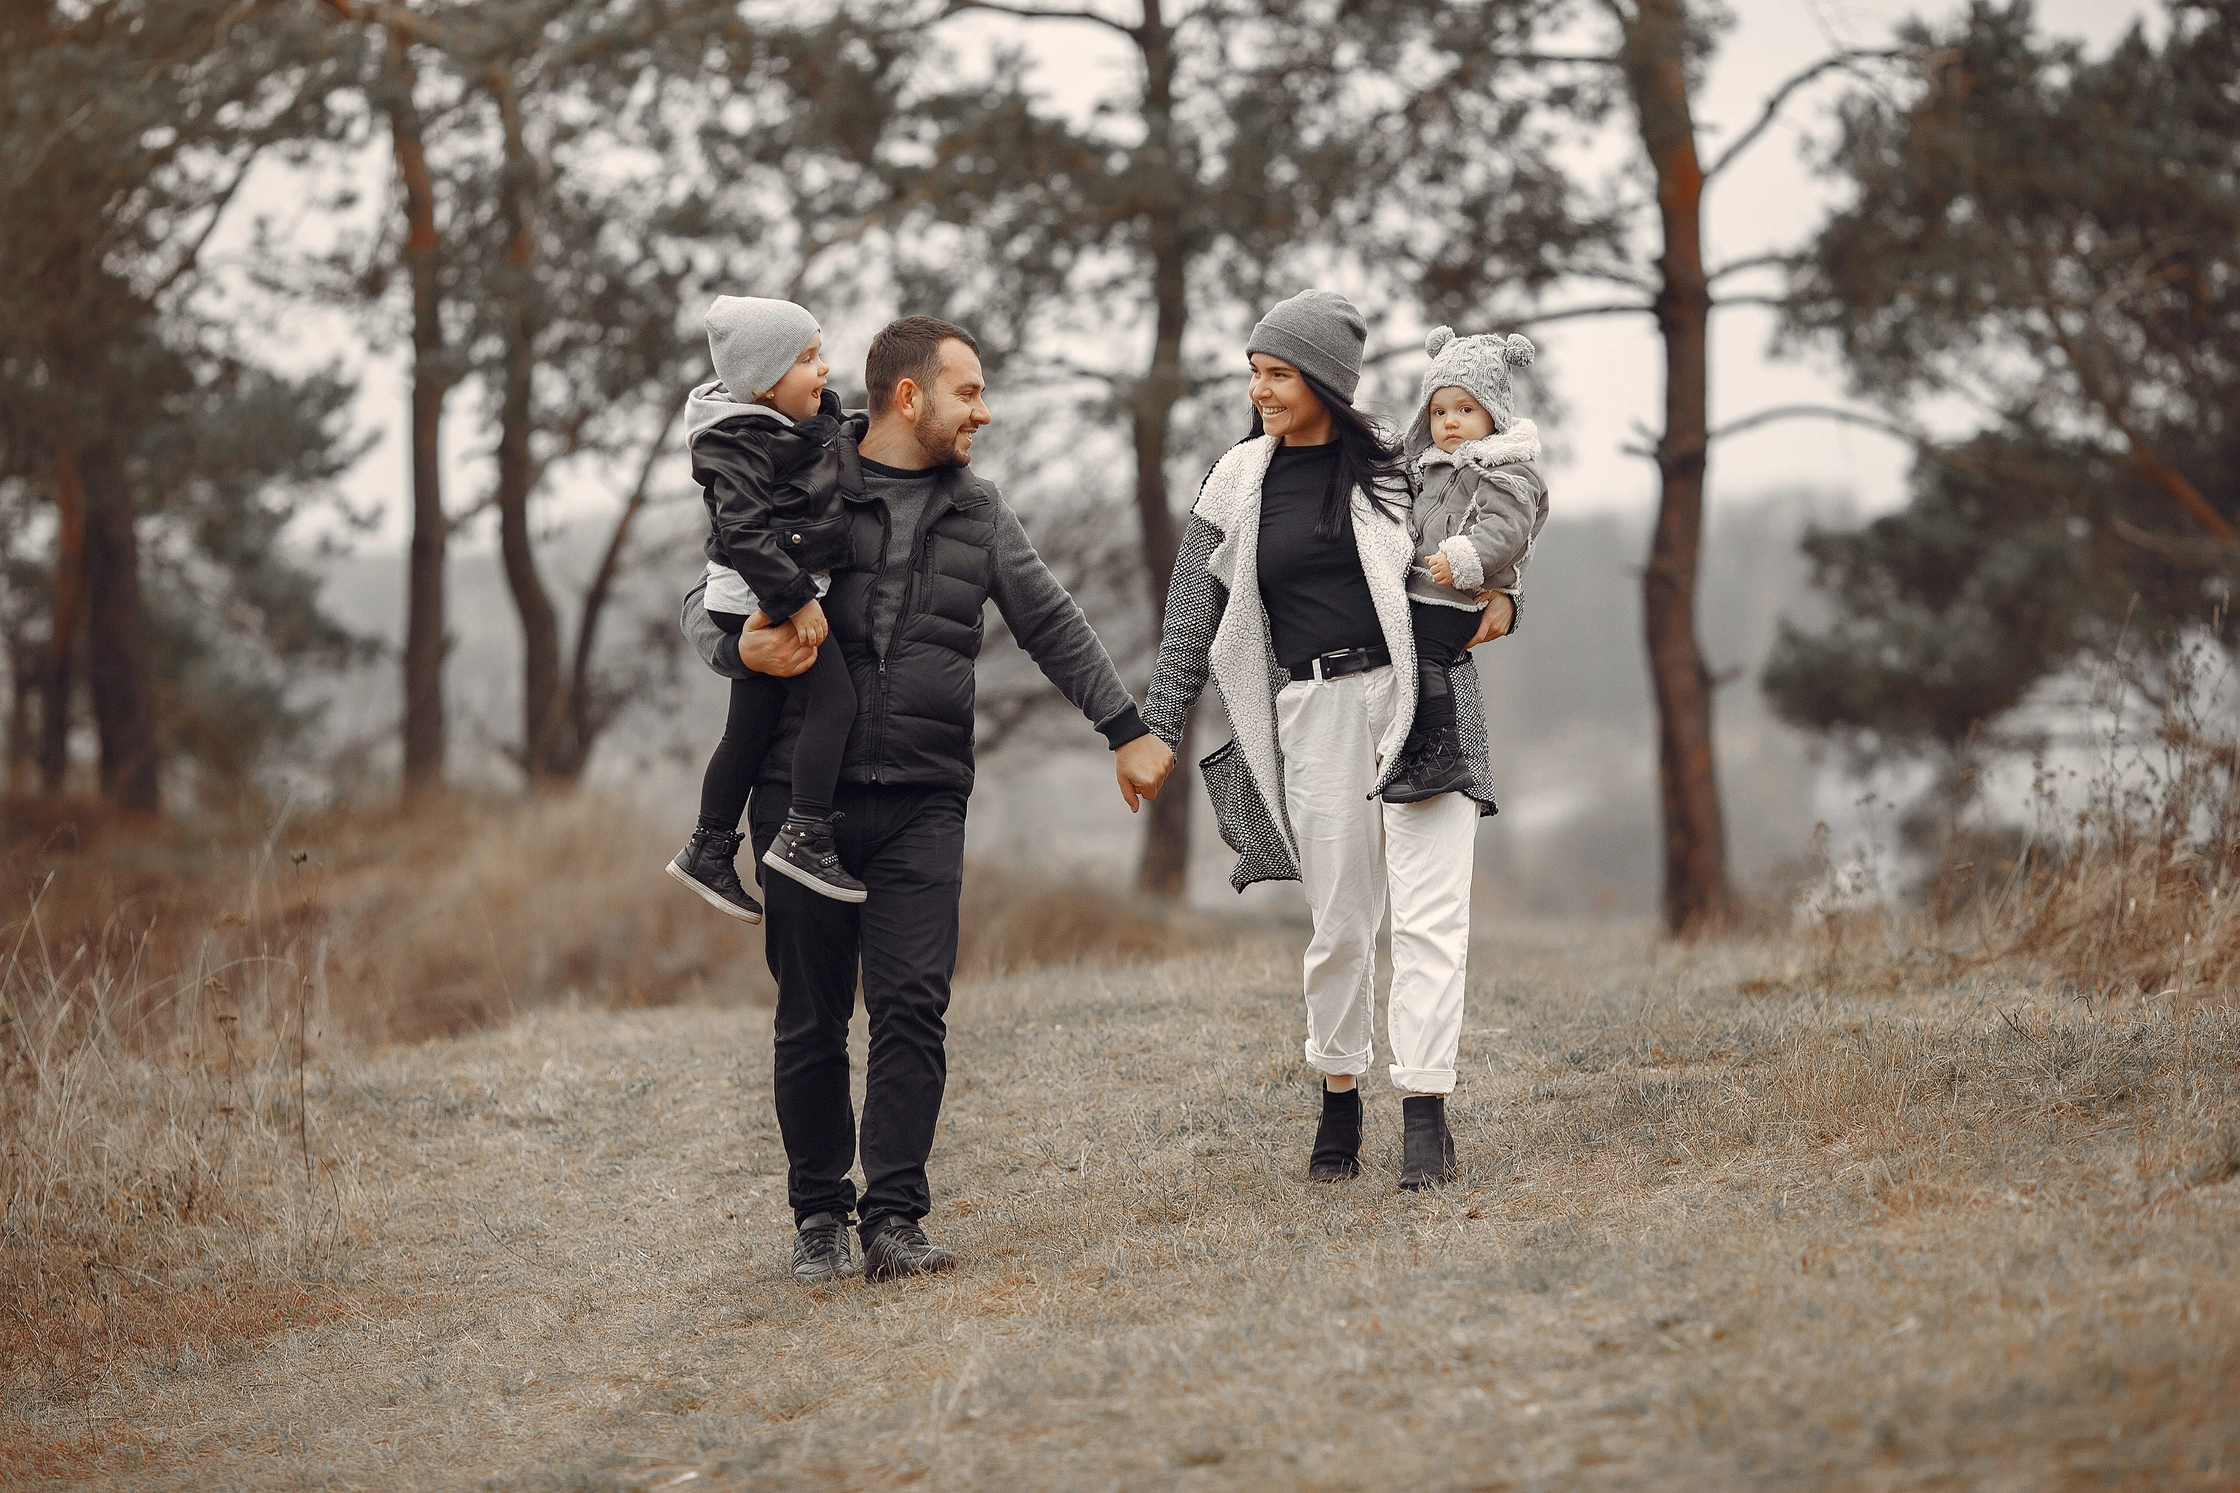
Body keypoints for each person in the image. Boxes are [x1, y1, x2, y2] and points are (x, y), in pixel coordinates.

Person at [680, 316, 1175, 1284]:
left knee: (913, 1004)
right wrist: (738, 647)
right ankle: (818, 1216)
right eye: (969, 392)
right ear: (910, 397)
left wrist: (1125, 727)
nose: (984, 412)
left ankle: (894, 1218)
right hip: (798, 798)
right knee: (812, 1016)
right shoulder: (804, 468)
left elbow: (1050, 621)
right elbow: (710, 589)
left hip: (924, 796)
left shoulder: (978, 512)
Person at [1136, 289, 1515, 1192]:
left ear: (1326, 382)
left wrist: (1509, 597)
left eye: (1279, 374)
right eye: (1255, 373)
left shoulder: (1399, 466)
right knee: (1341, 924)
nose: (1260, 390)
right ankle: (1339, 1093)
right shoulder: (1236, 480)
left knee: (1430, 920)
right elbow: (1192, 613)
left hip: (1422, 700)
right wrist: (1157, 724)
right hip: (1312, 713)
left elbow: (1488, 524)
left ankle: (1425, 1113)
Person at [666, 295, 866, 925]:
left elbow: (832, 440)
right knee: (834, 703)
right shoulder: (738, 442)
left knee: (749, 730)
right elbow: (745, 534)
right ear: (763, 385)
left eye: (820, 354)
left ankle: (708, 847)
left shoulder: (784, 425)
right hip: (761, 598)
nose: (823, 369)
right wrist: (798, 601)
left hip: (760, 594)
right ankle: (806, 834)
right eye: (807, 359)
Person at [1382, 326, 1549, 803]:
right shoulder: (1433, 466)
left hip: (1460, 594)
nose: (1450, 422)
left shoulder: (1504, 467)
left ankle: (1443, 754)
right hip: (1430, 589)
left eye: (1465, 410)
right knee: (1410, 654)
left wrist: (1465, 559)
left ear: (1493, 412)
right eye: (1439, 412)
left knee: (1424, 654)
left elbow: (1508, 527)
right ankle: (1420, 746)